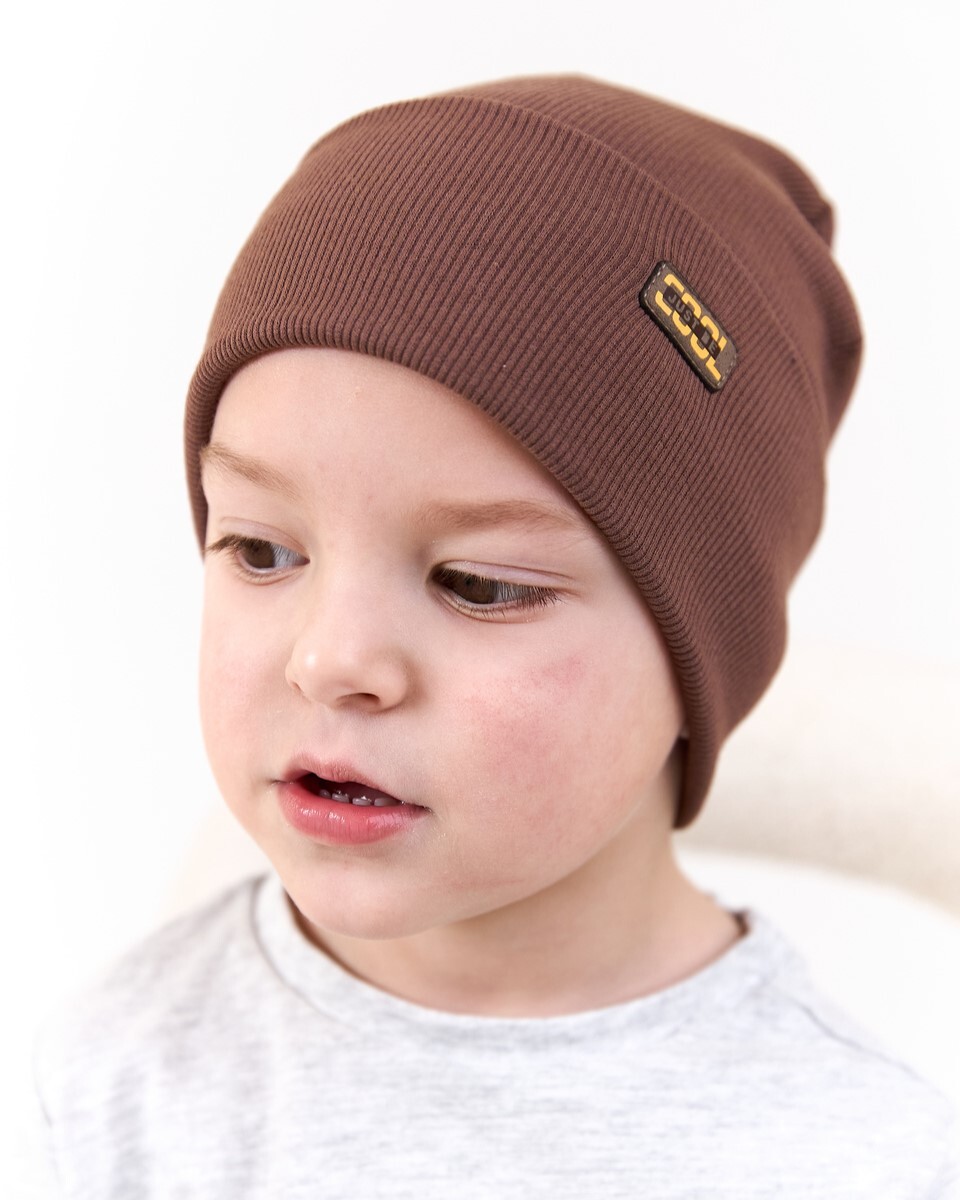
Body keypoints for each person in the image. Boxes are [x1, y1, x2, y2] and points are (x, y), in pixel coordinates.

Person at [30, 75, 957, 1196]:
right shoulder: (88, 1100)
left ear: (701, 653)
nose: (330, 659)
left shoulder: (868, 1160)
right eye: (263, 552)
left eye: (477, 583)